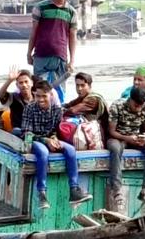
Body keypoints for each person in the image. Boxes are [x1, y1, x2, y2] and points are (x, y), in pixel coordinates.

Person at [21, 80, 92, 209]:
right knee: (43, 153)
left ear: (51, 95)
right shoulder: (29, 108)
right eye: (38, 96)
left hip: (50, 138)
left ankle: (74, 190)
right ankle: (42, 193)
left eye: (44, 96)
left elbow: (56, 129)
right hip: (35, 140)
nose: (41, 99)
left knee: (70, 150)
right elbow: (27, 133)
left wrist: (53, 138)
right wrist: (46, 140)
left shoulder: (57, 110)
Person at [107, 87, 145, 212]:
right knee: (114, 148)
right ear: (130, 99)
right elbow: (111, 131)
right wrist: (127, 138)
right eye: (136, 105)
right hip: (118, 137)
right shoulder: (117, 106)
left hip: (137, 138)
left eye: (140, 106)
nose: (138, 109)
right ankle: (117, 190)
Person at [27, 0, 77, 102]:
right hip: (41, 56)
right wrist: (29, 52)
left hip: (60, 57)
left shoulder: (71, 12)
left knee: (59, 92)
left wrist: (72, 60)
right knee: (39, 91)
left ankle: (58, 119)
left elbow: (72, 37)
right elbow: (34, 32)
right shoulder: (41, 7)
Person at [0, 67, 34, 132]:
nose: (24, 85)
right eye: (21, 83)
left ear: (31, 83)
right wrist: (9, 80)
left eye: (26, 82)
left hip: (36, 133)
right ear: (17, 85)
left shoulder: (38, 98)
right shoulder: (14, 98)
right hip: (20, 133)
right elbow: (1, 95)